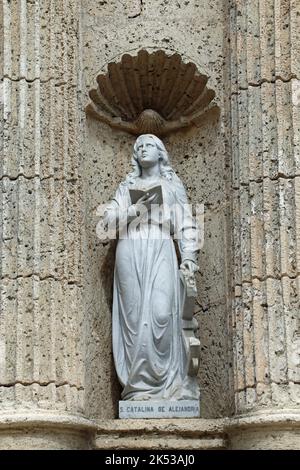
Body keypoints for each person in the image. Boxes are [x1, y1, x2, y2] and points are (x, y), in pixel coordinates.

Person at [103, 134, 200, 401]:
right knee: (133, 317)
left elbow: (187, 223)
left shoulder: (171, 186)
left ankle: (167, 385)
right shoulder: (127, 187)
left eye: (149, 145)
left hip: (161, 247)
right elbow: (107, 222)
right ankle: (138, 389)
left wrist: (189, 256)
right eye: (139, 147)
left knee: (161, 313)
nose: (143, 149)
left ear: (161, 153)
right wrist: (132, 212)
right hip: (130, 246)